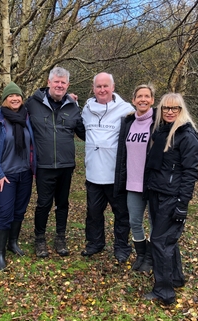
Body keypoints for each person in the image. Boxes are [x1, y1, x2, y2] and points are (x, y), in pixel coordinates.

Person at [143, 93, 198, 305]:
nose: (169, 112)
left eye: (174, 108)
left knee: (160, 242)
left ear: (181, 110)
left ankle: (164, 292)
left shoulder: (187, 136)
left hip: (172, 197)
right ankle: (175, 278)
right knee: (167, 241)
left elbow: (190, 173)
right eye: (165, 108)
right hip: (157, 193)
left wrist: (182, 204)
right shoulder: (161, 131)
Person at [25, 66, 85, 257]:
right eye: (56, 81)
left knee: (63, 203)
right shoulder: (32, 103)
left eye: (63, 82)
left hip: (66, 165)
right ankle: (40, 239)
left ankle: (60, 237)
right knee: (43, 204)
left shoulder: (73, 106)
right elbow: (14, 114)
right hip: (44, 165)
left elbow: (84, 132)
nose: (59, 85)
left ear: (67, 85)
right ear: (49, 82)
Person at [81, 72, 134, 263]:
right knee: (93, 213)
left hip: (116, 175)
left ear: (113, 87)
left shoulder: (126, 110)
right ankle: (95, 243)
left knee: (121, 214)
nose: (102, 90)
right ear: (93, 88)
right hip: (93, 173)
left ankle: (121, 247)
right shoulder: (86, 109)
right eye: (98, 86)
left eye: (105, 86)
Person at [0, 81, 36, 270]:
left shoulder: (27, 117)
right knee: (4, 212)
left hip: (25, 173)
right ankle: (0, 254)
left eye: (18, 96)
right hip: (5, 175)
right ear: (5, 99)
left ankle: (12, 243)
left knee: (20, 211)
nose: (15, 99)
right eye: (10, 96)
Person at [114, 84, 156, 272]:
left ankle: (151, 258)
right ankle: (141, 255)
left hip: (153, 183)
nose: (143, 99)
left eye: (147, 96)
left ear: (153, 100)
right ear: (133, 100)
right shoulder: (128, 122)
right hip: (132, 182)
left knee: (155, 224)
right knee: (135, 222)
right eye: (139, 96)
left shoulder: (159, 122)